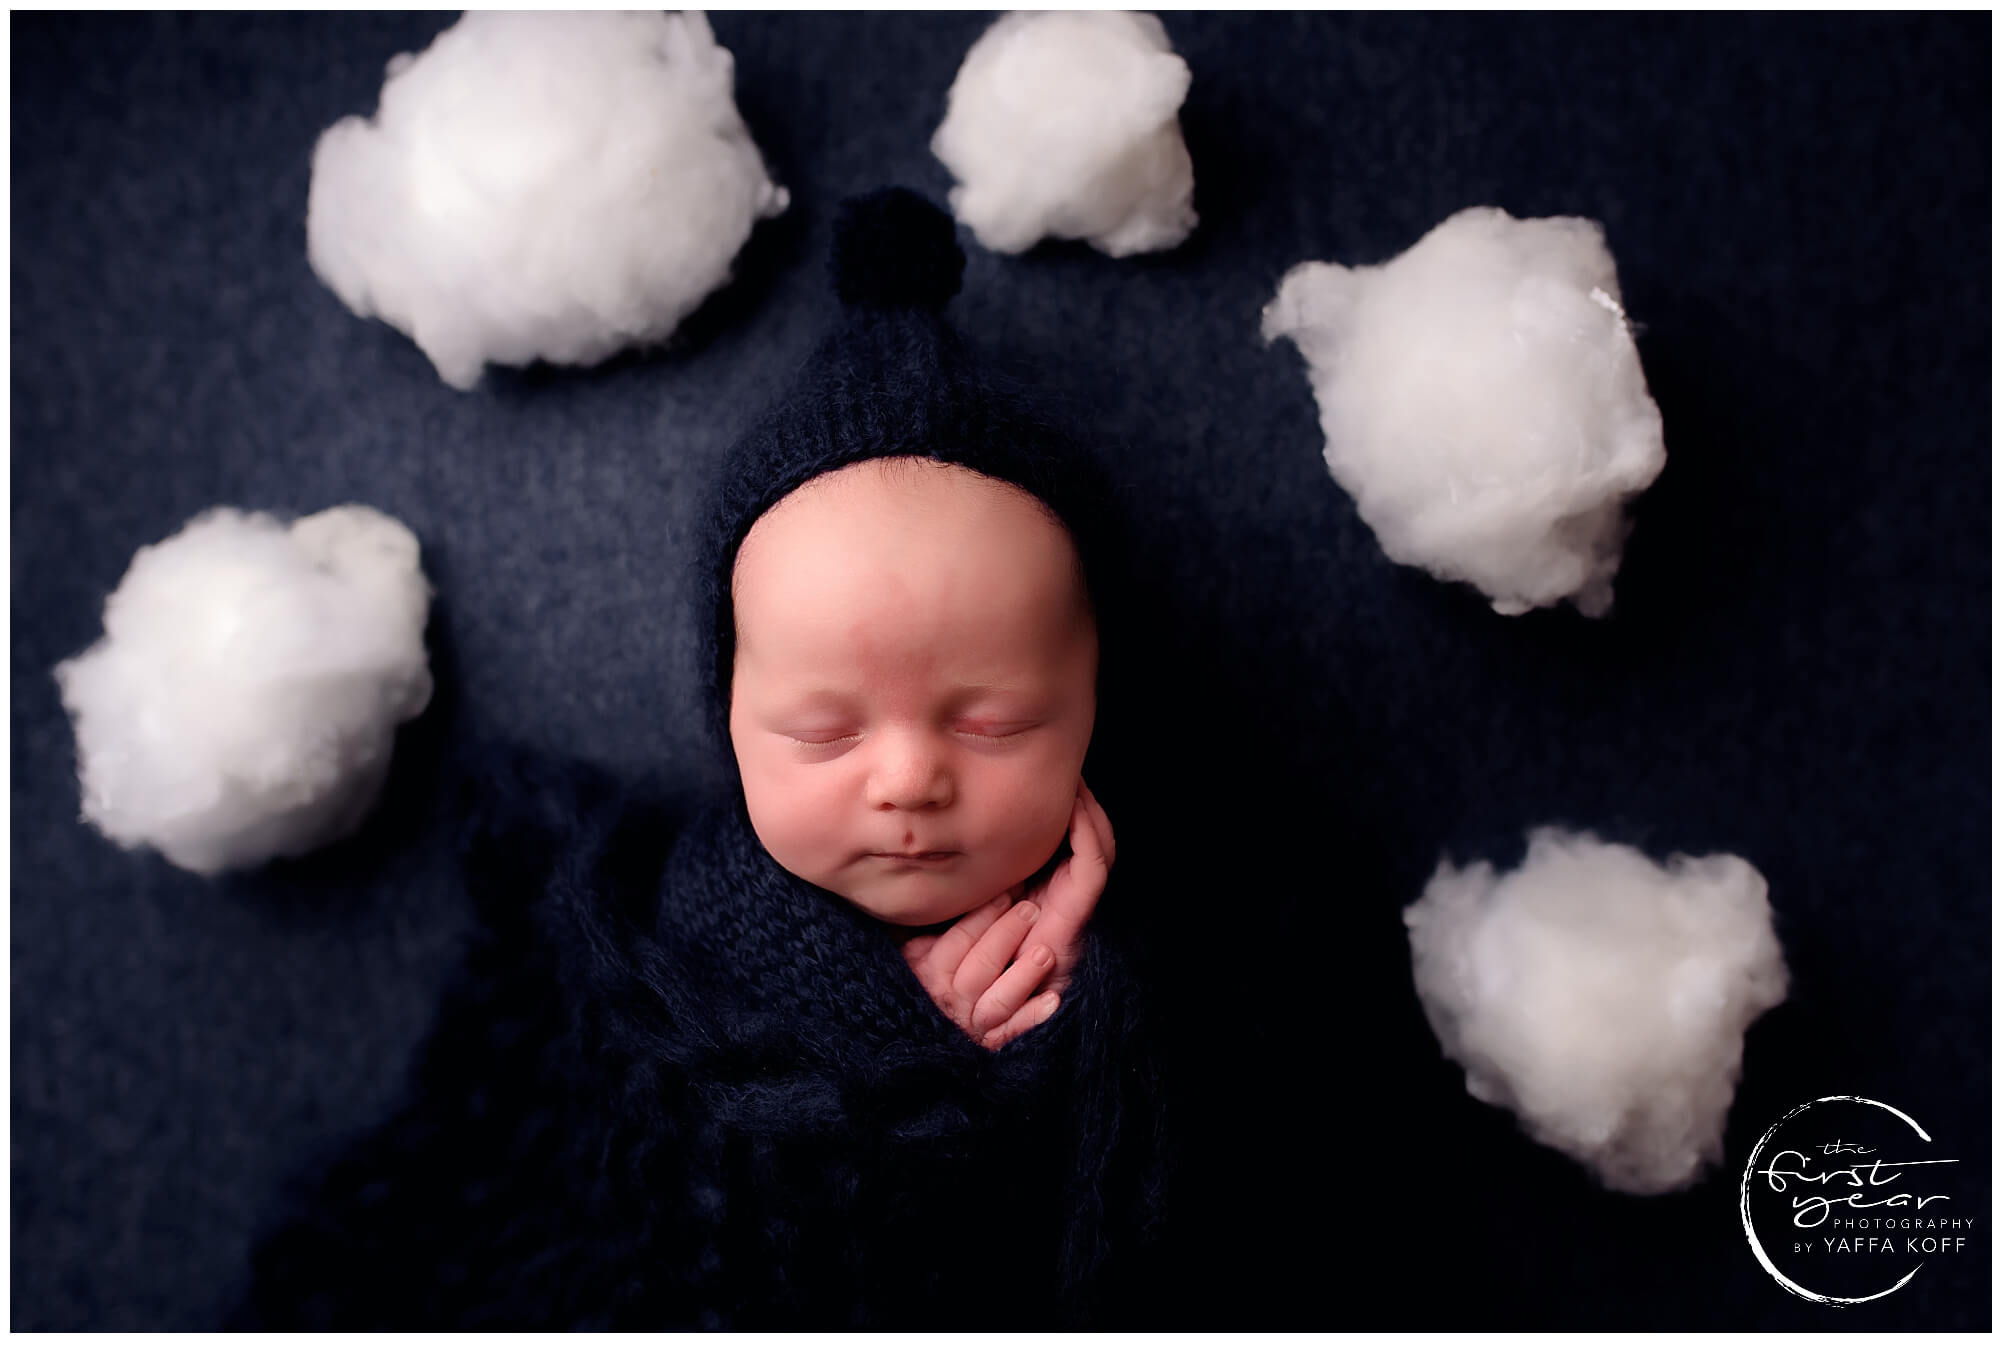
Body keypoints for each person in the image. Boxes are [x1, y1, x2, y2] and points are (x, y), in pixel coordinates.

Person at [234, 188, 1167, 1330]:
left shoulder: (1193, 926)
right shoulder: (680, 921)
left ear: (1093, 704)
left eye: (994, 723)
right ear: (727, 716)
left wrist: (1085, 1040)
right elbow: (652, 1169)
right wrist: (898, 1058)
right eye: (825, 731)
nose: (908, 781)